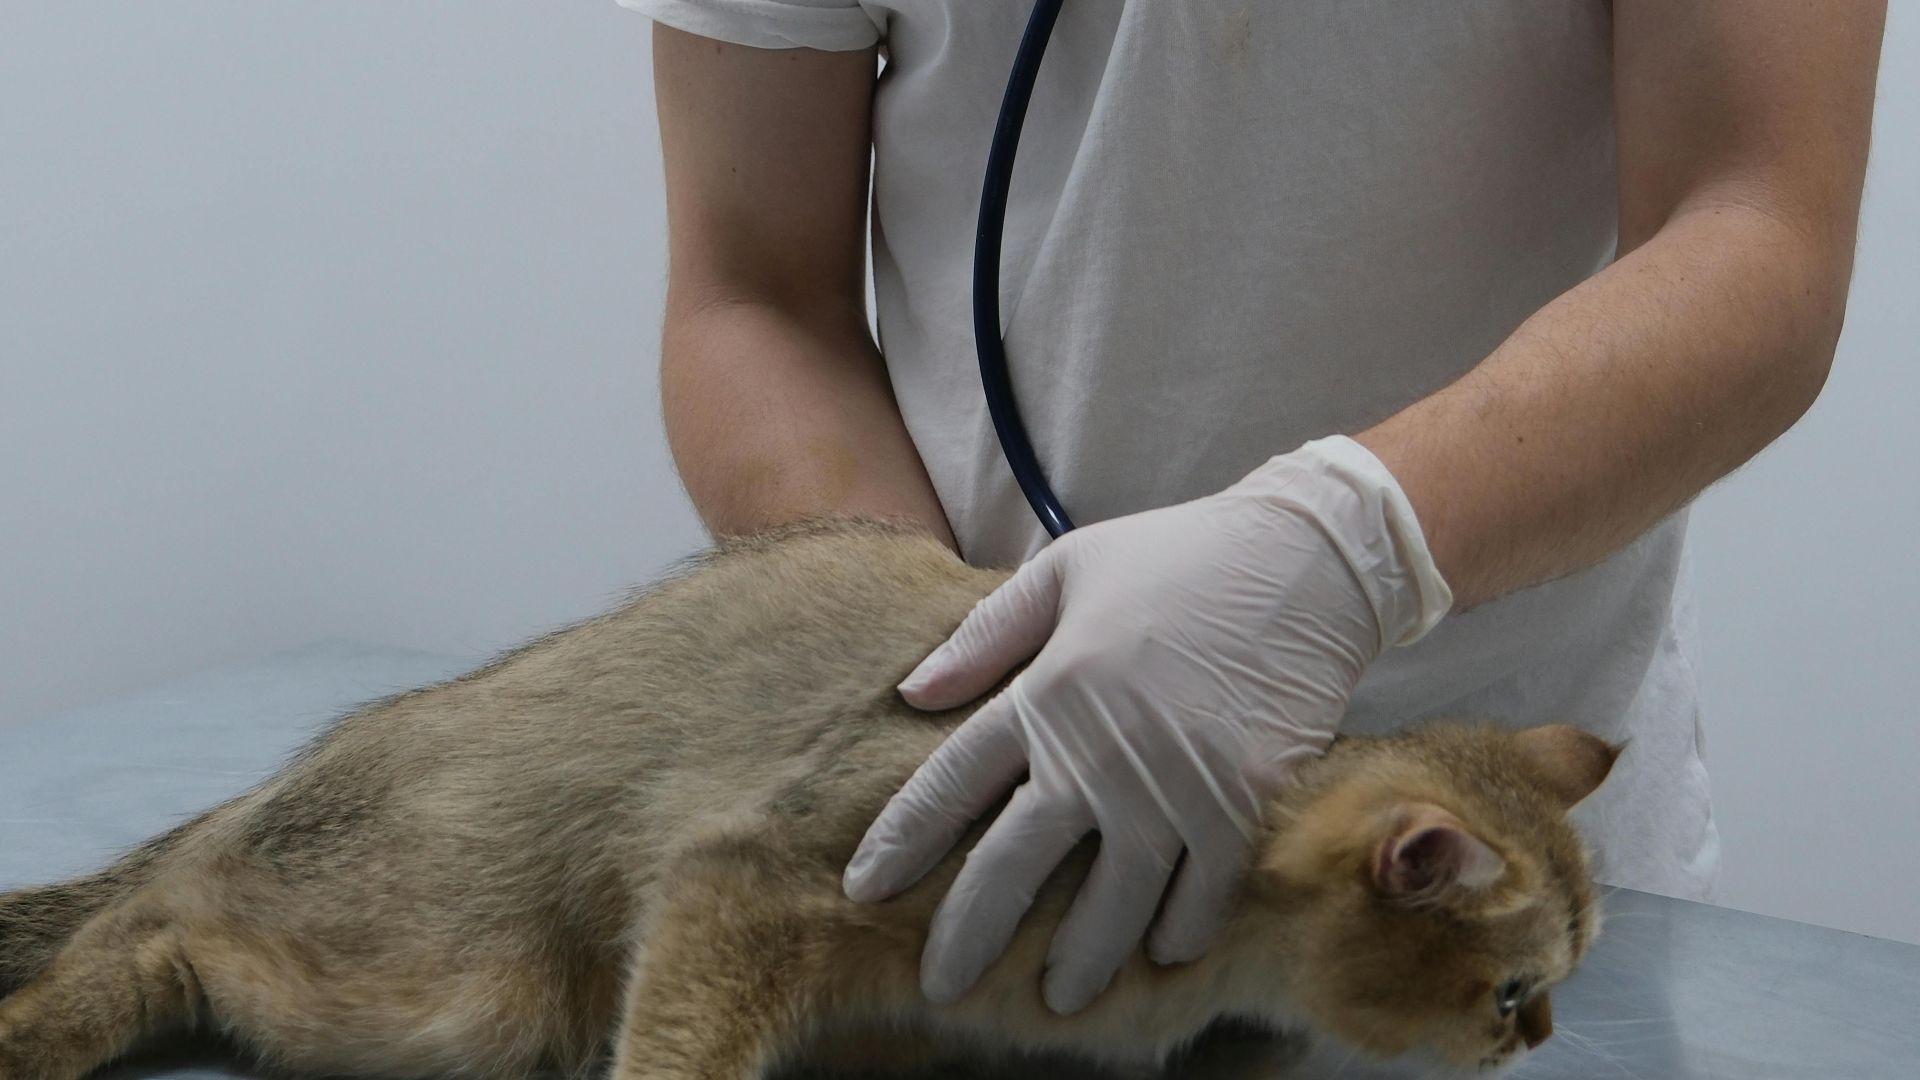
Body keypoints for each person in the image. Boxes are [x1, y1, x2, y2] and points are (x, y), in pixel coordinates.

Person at [629, 0, 1884, 1017]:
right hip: (995, 866)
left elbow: (1757, 224)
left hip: (1479, 916)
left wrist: (1342, 552)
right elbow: (756, 295)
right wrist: (948, 676)